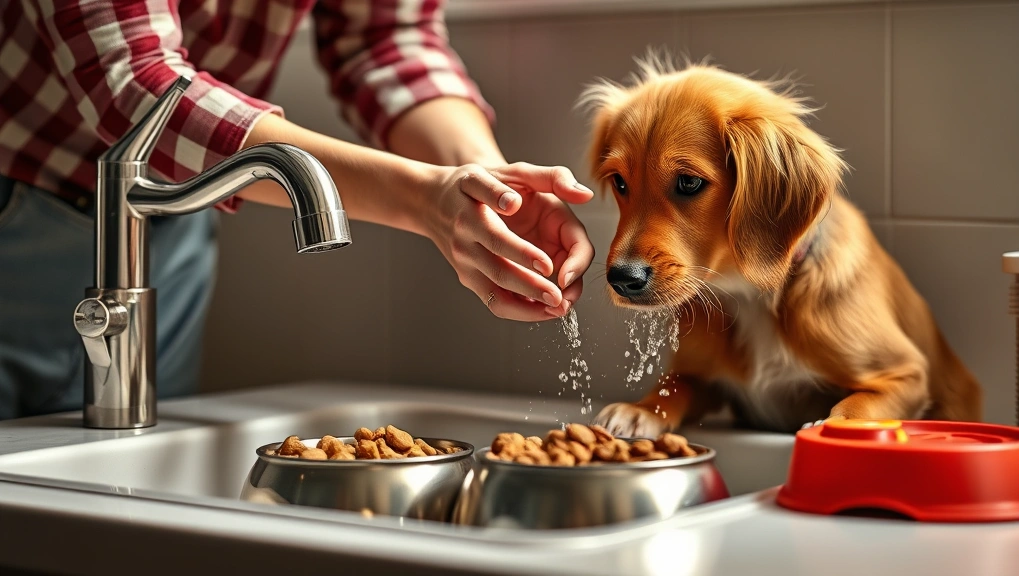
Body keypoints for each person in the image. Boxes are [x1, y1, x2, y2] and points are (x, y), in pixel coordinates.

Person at [0, 1, 595, 420]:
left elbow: (385, 37)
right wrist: (422, 198)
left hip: (172, 214)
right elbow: (138, 86)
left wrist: (488, 184)